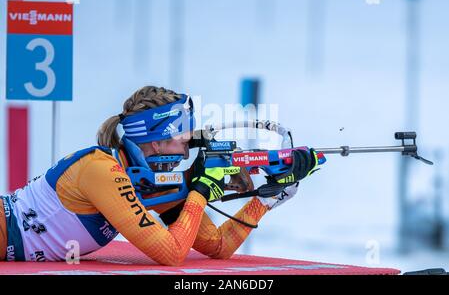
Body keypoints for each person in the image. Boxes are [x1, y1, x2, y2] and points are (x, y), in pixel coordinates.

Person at [0, 86, 319, 265]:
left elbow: (217, 245)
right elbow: (171, 252)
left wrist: (267, 200)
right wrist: (201, 190)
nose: (186, 150)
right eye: (182, 138)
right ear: (156, 140)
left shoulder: (147, 183)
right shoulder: (101, 169)